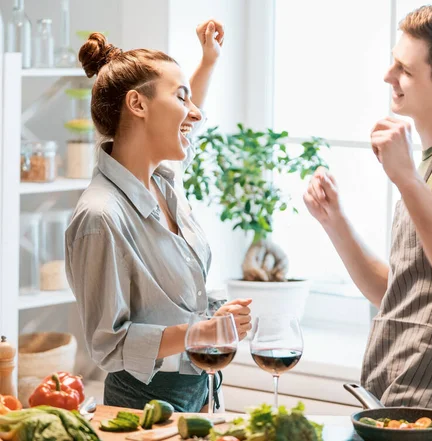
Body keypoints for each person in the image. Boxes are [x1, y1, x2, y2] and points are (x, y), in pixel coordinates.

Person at [304, 4, 432, 418]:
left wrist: (406, 179)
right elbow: (400, 294)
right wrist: (335, 223)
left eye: (405, 69)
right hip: (402, 396)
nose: (388, 77)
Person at [65, 20, 252, 412]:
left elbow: (185, 126)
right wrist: (197, 333)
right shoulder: (101, 218)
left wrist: (213, 318)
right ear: (137, 105)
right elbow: (109, 344)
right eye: (182, 98)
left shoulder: (164, 185)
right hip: (142, 409)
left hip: (201, 394)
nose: (195, 114)